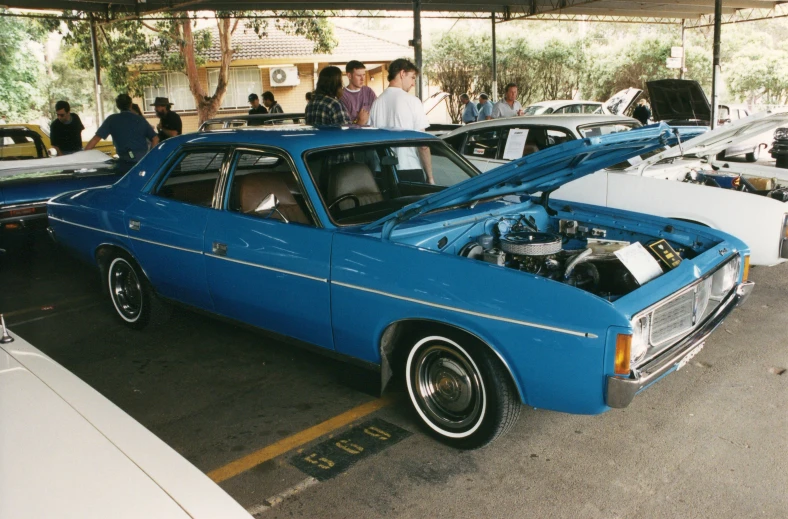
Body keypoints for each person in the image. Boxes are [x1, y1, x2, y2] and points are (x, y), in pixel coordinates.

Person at [369, 58, 433, 184]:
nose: (413, 83)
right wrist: (430, 177)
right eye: (413, 77)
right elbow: (423, 145)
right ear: (402, 73)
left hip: (382, 172)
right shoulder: (412, 101)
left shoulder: (376, 103)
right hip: (409, 169)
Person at [85, 93, 158, 165]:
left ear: (117, 106)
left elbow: (95, 139)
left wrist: (84, 155)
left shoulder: (112, 120)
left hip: (125, 160)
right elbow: (155, 138)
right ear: (131, 105)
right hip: (142, 160)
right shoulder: (140, 119)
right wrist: (150, 156)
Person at [341, 60, 376, 125]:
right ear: (349, 76)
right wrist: (360, 121)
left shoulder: (368, 91)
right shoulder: (342, 96)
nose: (362, 79)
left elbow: (377, 113)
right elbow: (346, 128)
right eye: (359, 75)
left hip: (371, 133)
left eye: (364, 75)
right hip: (355, 134)